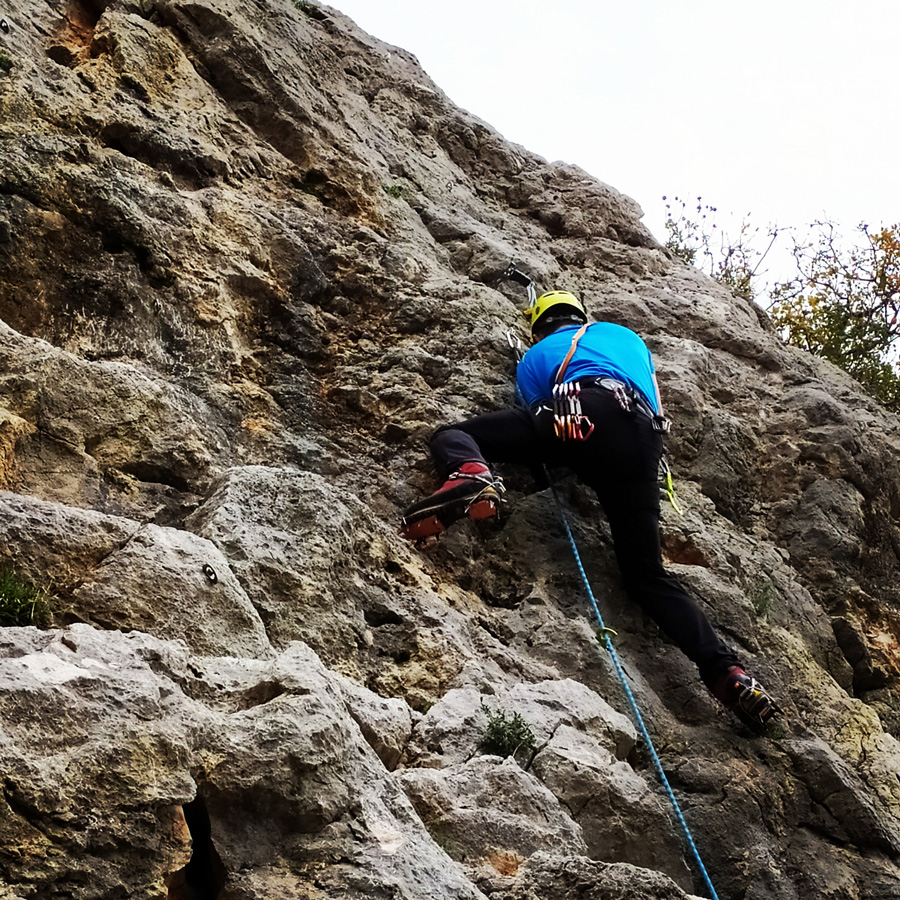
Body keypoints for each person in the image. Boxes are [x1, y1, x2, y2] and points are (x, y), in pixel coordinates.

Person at [401, 290, 778, 728]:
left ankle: (469, 473)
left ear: (540, 327)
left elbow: (545, 420)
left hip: (585, 409)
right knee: (646, 576)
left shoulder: (539, 352)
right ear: (580, 315)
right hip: (644, 443)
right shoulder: (628, 339)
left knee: (454, 434)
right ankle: (728, 673)